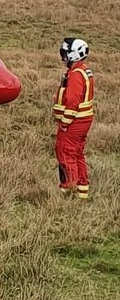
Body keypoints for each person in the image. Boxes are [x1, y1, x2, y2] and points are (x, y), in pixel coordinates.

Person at [52, 37, 95, 199]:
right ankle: (82, 190)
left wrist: (65, 122)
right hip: (83, 121)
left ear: (74, 54)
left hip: (74, 122)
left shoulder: (76, 74)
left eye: (65, 54)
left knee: (65, 152)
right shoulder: (83, 70)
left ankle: (67, 189)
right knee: (77, 154)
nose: (63, 58)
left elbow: (73, 100)